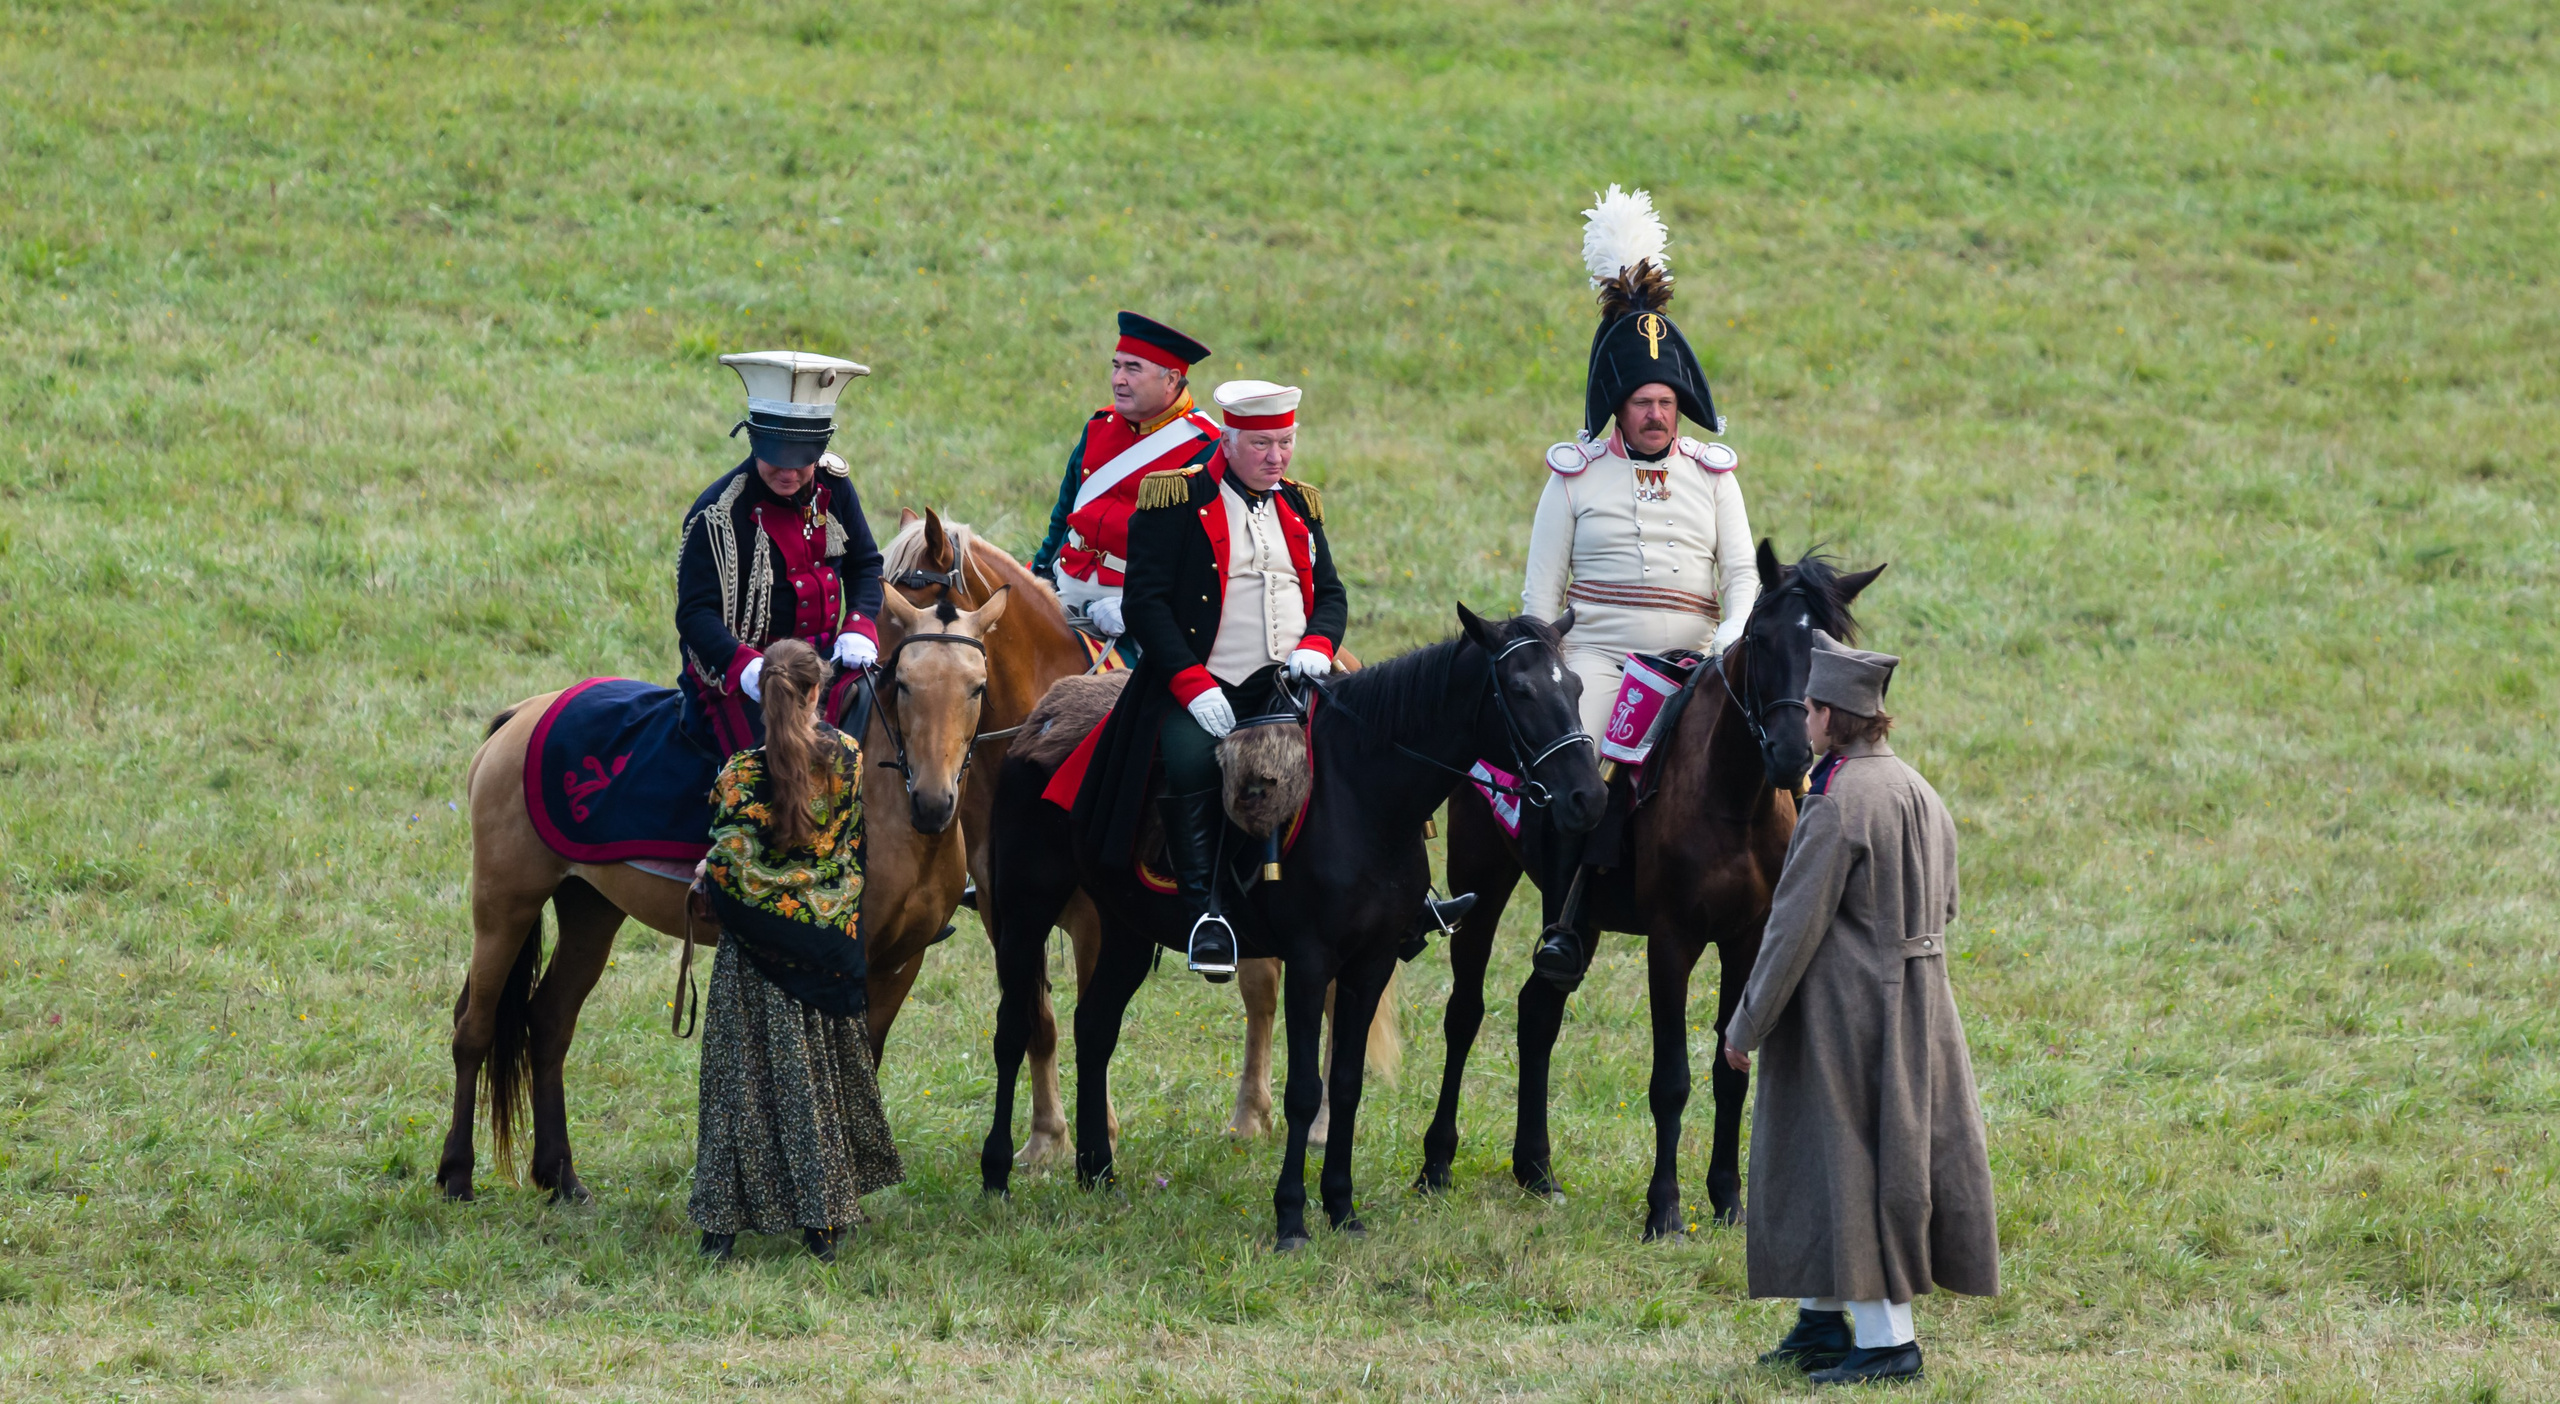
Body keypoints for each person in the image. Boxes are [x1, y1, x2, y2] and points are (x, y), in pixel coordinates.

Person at [1718, 633, 1999, 1384]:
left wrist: (1745, 1025)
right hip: (1919, 1004)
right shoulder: (1920, 790)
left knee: (1856, 1165)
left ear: (1835, 717)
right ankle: (1820, 1320)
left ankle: (1887, 1342)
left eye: (1811, 707)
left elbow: (1791, 927)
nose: (1803, 718)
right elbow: (1947, 902)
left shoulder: (1837, 802)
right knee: (1827, 1160)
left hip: (1844, 1020)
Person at [1520, 185, 1761, 985]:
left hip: (1696, 661)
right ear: (1617, 410)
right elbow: (1538, 598)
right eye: (1642, 403)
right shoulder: (1573, 478)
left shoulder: (1715, 475)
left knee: (1778, 761)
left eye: (1666, 402)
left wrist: (1733, 633)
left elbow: (1743, 574)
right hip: (1596, 657)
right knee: (1573, 768)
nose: (1657, 415)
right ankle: (1566, 921)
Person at [1070, 380, 1346, 979]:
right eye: (1263, 444)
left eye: (1287, 442)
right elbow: (1145, 604)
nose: (1278, 457)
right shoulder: (1173, 499)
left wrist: (1319, 645)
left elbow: (1330, 594)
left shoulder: (1300, 505)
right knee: (1194, 758)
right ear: (1228, 438)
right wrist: (1193, 685)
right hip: (1201, 681)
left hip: (1289, 680)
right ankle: (1206, 914)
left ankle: (1394, 898)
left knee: (1360, 743)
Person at [690, 639, 904, 1262]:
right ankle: (823, 1225)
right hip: (826, 952)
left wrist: (711, 869)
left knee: (739, 1087)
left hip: (753, 961)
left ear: (762, 698)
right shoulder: (851, 759)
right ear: (817, 693)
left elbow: (733, 868)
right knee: (818, 1085)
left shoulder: (737, 774)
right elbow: (844, 850)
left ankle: (720, 1231)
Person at [677, 350, 887, 755]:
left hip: (829, 664)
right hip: (743, 677)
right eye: (776, 459)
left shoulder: (834, 487)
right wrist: (746, 667)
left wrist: (859, 624)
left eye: (801, 461)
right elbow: (695, 614)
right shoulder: (717, 515)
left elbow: (865, 564)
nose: (788, 473)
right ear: (755, 442)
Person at [1028, 312, 1225, 654]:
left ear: (1171, 379)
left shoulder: (1206, 449)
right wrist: (1038, 572)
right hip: (1065, 587)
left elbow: (1206, 560)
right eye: (1116, 365)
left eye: (1133, 368)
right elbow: (1064, 514)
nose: (1118, 379)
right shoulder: (1098, 428)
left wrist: (1137, 610)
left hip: (1134, 603)